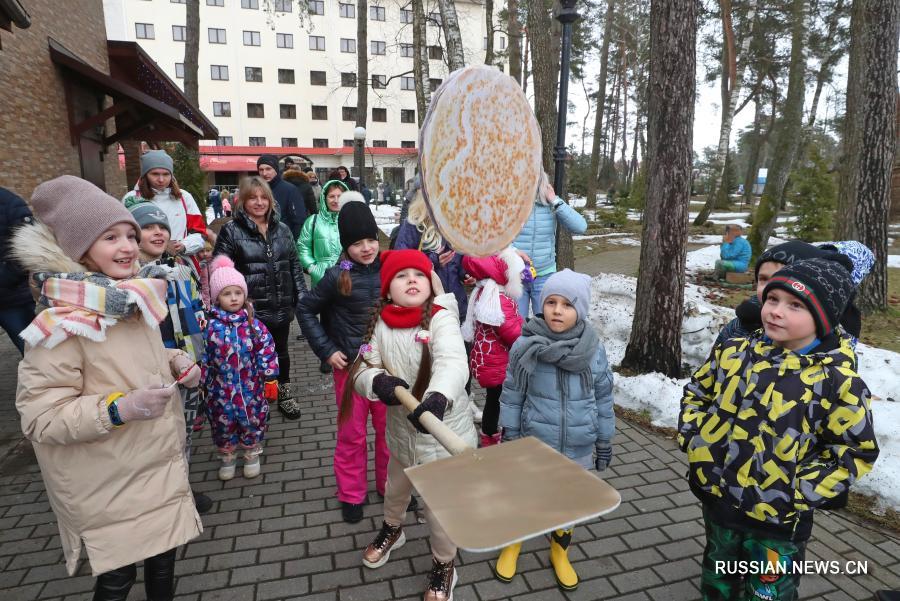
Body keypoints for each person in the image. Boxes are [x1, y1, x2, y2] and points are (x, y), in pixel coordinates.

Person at [13, 175, 202, 599]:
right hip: (110, 483)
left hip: (159, 468)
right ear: (78, 248)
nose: (128, 247)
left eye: (130, 235)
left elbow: (143, 357)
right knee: (118, 581)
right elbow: (40, 418)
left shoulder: (130, 300)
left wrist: (177, 362)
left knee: (164, 565)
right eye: (110, 237)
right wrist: (120, 408)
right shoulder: (60, 324)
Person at [678, 258, 879, 601]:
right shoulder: (734, 351)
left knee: (768, 590)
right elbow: (698, 393)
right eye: (772, 299)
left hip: (779, 520)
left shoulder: (838, 381)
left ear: (824, 318)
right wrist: (696, 440)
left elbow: (854, 451)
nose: (776, 311)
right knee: (718, 577)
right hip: (719, 500)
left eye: (795, 305)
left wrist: (798, 490)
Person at [351, 249, 476, 601]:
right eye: (401, 276)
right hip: (402, 432)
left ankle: (444, 565)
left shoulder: (440, 318)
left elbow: (453, 361)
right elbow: (361, 368)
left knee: (439, 509)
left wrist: (437, 398)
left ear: (430, 284)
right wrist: (376, 381)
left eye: (419, 275)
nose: (411, 280)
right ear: (388, 289)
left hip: (441, 432)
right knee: (396, 489)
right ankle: (393, 529)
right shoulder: (379, 324)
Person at [496, 269, 614, 591]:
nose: (557, 310)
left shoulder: (593, 350)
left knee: (567, 502)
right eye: (551, 302)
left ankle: (559, 552)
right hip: (535, 441)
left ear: (581, 310)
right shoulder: (526, 345)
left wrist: (604, 438)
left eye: (566, 304)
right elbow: (513, 392)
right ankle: (514, 542)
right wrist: (510, 433)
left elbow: (603, 396)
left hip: (577, 445)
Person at [297, 202, 388, 523]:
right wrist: (326, 350)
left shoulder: (389, 267)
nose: (366, 248)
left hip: (387, 370)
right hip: (349, 371)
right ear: (346, 245)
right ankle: (351, 493)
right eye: (357, 243)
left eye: (370, 240)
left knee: (388, 433)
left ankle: (389, 486)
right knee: (352, 435)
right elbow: (305, 310)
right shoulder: (337, 276)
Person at [131, 203, 213, 514]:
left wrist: (201, 353)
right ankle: (157, 496)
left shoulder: (180, 265)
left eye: (162, 227)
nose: (157, 233)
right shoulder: (129, 273)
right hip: (149, 367)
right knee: (154, 435)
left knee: (183, 430)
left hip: (187, 363)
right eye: (148, 227)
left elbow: (197, 307)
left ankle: (181, 487)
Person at [213, 176, 307, 420]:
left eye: (263, 197)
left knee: (281, 352)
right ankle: (255, 397)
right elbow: (220, 269)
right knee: (252, 355)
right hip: (250, 310)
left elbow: (294, 265)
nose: (259, 202)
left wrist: (302, 298)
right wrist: (230, 303)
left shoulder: (282, 229)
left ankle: (283, 392)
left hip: (282, 303)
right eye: (252, 197)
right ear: (242, 201)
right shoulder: (231, 231)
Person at [202, 256, 279, 480]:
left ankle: (251, 454)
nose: (234, 298)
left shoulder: (253, 324)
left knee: (251, 420)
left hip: (250, 387)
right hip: (221, 390)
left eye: (238, 292)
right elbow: (204, 356)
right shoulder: (210, 327)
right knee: (222, 424)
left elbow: (267, 349)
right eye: (227, 294)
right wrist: (202, 383)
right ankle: (227, 458)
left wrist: (270, 376)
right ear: (217, 298)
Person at [715, 241, 868, 347]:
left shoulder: (829, 344)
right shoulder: (738, 326)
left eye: (781, 280)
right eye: (763, 279)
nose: (771, 287)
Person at [460, 247, 525, 447]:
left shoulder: (485, 291)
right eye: (517, 274)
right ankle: (495, 434)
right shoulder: (499, 298)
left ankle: (488, 433)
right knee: (502, 401)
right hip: (499, 362)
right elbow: (511, 332)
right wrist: (527, 334)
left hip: (488, 357)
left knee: (493, 399)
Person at [513, 172, 587, 318]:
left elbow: (581, 227)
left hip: (544, 277)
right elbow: (497, 238)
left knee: (546, 327)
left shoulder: (551, 205)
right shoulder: (511, 203)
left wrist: (555, 200)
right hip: (515, 276)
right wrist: (513, 251)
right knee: (515, 328)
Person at [297, 180, 351, 373]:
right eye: (332, 196)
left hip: (348, 275)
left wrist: (347, 268)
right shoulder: (313, 221)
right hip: (322, 277)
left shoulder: (350, 218)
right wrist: (312, 267)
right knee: (326, 317)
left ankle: (346, 352)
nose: (336, 200)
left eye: (340, 196)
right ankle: (327, 355)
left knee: (346, 315)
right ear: (324, 198)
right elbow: (303, 246)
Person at [394, 190, 473, 322]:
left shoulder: (455, 225)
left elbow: (459, 260)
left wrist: (466, 273)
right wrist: (433, 261)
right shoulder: (413, 225)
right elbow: (401, 262)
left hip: (455, 304)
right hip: (426, 307)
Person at [122, 149, 206, 262]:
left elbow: (200, 233)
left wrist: (184, 245)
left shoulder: (184, 197)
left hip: (180, 262)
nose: (161, 179)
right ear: (145, 175)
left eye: (166, 174)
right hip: (142, 263)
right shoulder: (131, 199)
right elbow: (123, 233)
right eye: (155, 174)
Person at [0, 186, 36, 355]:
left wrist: (4, 279)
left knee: (34, 352)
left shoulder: (9, 203)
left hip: (13, 299)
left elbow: (28, 250)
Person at [257, 154, 307, 239]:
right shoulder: (256, 190)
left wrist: (292, 245)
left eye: (268, 169)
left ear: (276, 169)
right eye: (261, 170)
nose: (264, 173)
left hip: (283, 243)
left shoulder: (290, 190)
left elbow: (299, 221)